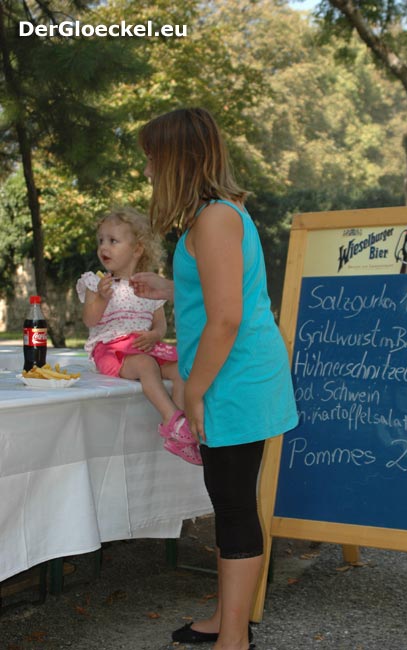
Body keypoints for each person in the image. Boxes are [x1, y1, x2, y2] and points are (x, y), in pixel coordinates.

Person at [130, 108, 298, 650]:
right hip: (232, 374)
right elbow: (225, 297)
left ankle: (234, 638)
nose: (150, 170)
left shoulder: (215, 218)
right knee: (228, 502)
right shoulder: (215, 215)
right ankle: (228, 620)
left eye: (154, 158)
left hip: (235, 379)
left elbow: (227, 318)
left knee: (232, 506)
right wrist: (172, 288)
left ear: (179, 158)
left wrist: (192, 389)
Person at [76, 206, 201, 466]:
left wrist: (154, 336)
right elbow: (90, 320)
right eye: (101, 240)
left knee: (181, 368)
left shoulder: (148, 285)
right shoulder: (94, 282)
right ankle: (172, 420)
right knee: (145, 365)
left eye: (113, 241)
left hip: (143, 347)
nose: (103, 247)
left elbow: (160, 326)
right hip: (109, 350)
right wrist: (100, 297)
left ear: (137, 249)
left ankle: (179, 430)